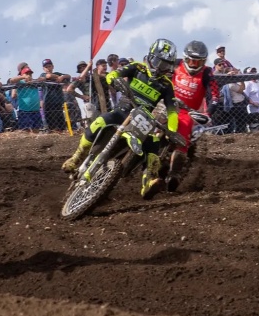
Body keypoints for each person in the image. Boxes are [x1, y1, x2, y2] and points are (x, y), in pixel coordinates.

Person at [62, 38, 180, 200]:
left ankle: (148, 182)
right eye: (158, 62)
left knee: (153, 143)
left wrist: (172, 131)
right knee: (100, 121)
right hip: (124, 110)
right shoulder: (137, 67)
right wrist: (114, 80)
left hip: (144, 119)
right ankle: (77, 158)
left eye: (165, 65)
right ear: (151, 57)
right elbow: (113, 74)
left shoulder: (166, 85)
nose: (160, 68)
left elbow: (172, 111)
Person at [167, 40, 219, 192]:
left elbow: (215, 96)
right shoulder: (175, 64)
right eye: (191, 61)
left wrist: (208, 113)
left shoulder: (208, 73)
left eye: (198, 62)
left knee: (183, 137)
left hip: (187, 112)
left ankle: (174, 174)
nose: (194, 64)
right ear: (185, 58)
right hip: (166, 104)